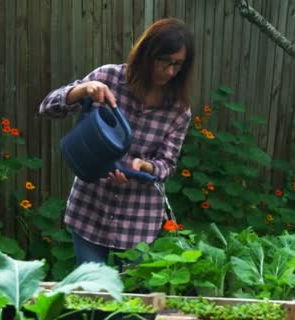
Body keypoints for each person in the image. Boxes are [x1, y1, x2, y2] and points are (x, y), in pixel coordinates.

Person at [39, 18, 194, 267]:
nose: (170, 72)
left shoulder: (178, 110)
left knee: (131, 303)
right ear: (147, 54)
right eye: (164, 61)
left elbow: (167, 164)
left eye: (177, 65)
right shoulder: (108, 78)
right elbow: (47, 108)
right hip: (91, 208)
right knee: (91, 295)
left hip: (138, 220)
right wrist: (83, 89)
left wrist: (144, 167)